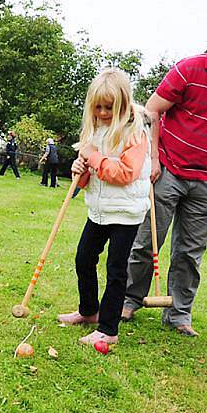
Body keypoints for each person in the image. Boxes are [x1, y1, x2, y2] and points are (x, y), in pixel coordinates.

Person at [122, 29, 207, 337]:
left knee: (190, 252)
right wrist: (154, 159)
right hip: (168, 170)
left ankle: (179, 313)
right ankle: (129, 299)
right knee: (147, 241)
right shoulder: (189, 70)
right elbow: (152, 110)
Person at [56, 68, 151, 349]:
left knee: (116, 268)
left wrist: (93, 157)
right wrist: (80, 170)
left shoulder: (134, 133)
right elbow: (91, 173)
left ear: (122, 103)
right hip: (98, 210)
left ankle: (108, 329)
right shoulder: (94, 129)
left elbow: (124, 174)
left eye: (109, 107)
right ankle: (89, 311)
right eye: (97, 107)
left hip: (126, 212)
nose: (102, 112)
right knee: (83, 258)